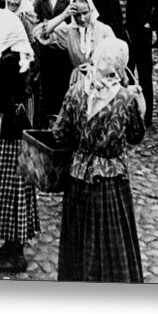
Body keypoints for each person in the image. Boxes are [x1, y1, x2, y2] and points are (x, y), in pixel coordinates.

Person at [53, 37, 145, 282]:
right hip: (110, 177)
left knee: (80, 235)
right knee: (110, 237)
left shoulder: (75, 91)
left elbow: (59, 133)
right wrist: (139, 101)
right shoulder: (126, 98)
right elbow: (136, 135)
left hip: (79, 175)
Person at [0, 9, 39, 273]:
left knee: (9, 190)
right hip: (15, 132)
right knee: (13, 191)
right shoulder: (18, 56)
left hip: (9, 135)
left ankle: (16, 253)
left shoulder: (9, 62)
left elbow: (9, 101)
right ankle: (11, 244)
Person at [33, 0, 115, 83]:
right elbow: (40, 33)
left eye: (85, 13)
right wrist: (64, 15)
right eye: (78, 15)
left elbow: (116, 57)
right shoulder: (68, 31)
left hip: (101, 79)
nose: (82, 19)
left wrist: (96, 66)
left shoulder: (103, 30)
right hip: (79, 80)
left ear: (91, 10)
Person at [33, 0, 71, 126]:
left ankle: (58, 116)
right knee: (45, 84)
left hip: (60, 50)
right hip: (45, 49)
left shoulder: (66, 3)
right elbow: (36, 22)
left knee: (60, 83)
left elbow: (69, 24)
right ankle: (44, 117)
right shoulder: (41, 3)